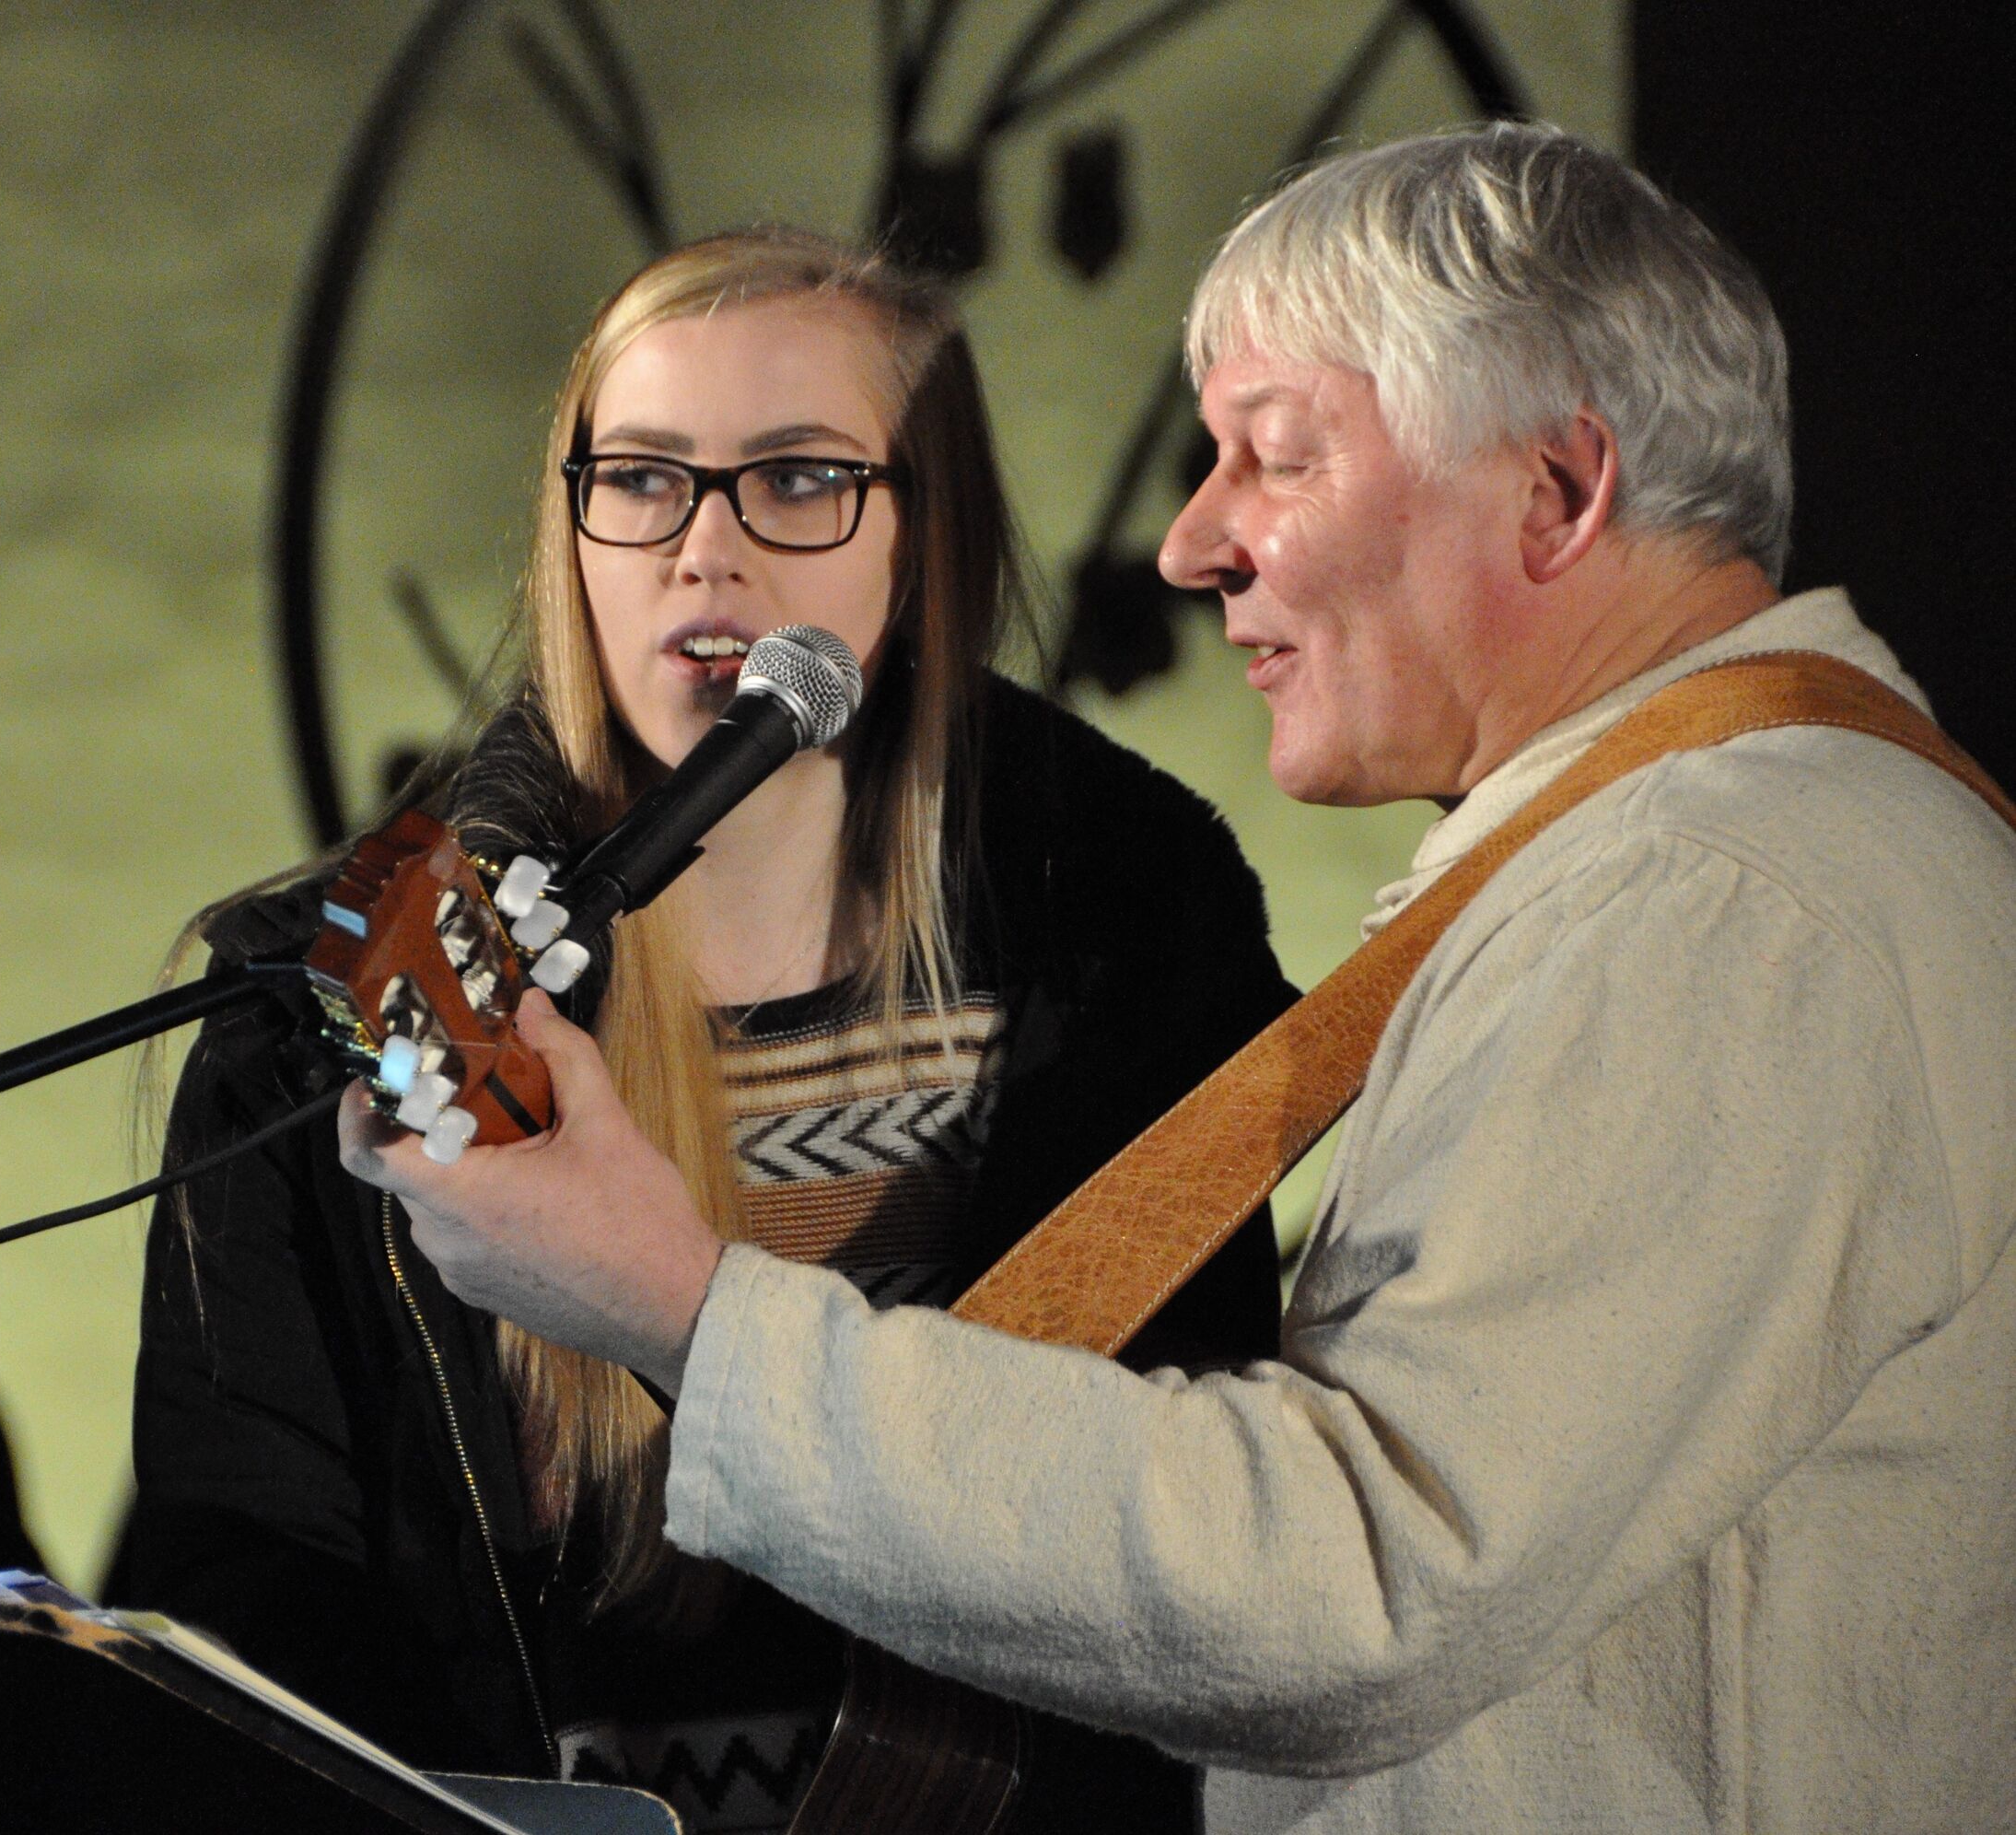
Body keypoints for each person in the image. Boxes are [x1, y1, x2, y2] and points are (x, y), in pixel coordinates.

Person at [340, 125, 2016, 1832]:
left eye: (1275, 459)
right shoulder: (1697, 860)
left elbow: (1365, 1584)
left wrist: (684, 1310)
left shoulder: (1722, 894)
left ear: (1559, 493)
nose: (1191, 543)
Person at [111, 228, 1295, 1832]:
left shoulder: (1132, 935)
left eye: (798, 480)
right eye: (646, 479)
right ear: (573, 528)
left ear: (923, 539)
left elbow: (1199, 1525)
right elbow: (239, 1591)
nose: (705, 552)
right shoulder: (331, 1000)